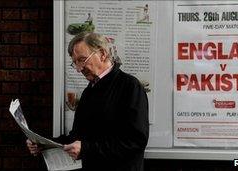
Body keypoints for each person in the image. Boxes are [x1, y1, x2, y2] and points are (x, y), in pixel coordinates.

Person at [26, 32, 149, 171]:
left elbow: (135, 142)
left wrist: (86, 149)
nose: (78, 69)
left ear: (102, 54)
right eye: (75, 62)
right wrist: (45, 143)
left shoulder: (130, 87)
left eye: (82, 60)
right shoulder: (90, 90)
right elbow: (77, 137)